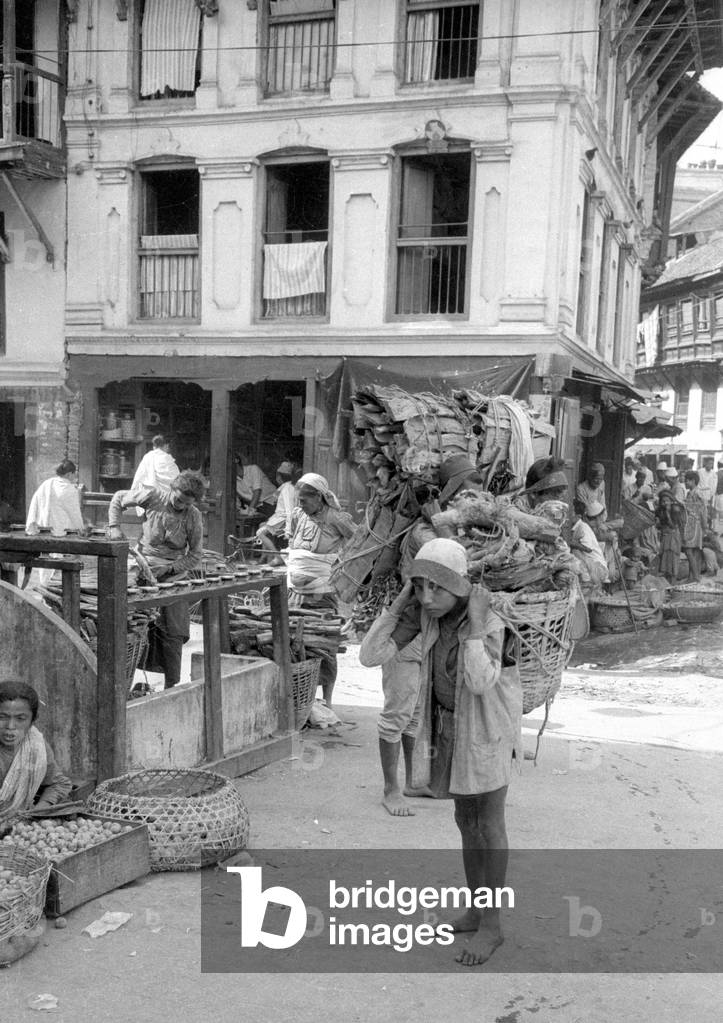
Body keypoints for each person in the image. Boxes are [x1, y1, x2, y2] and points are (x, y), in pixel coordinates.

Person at [359, 538, 521, 966]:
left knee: (489, 823)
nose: (428, 598)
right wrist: (398, 604)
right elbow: (369, 654)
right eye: (421, 586)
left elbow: (482, 681)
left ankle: (493, 926)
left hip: (488, 731)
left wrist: (474, 625)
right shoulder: (425, 616)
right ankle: (474, 910)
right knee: (465, 820)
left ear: (458, 588)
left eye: (438, 589)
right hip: (452, 727)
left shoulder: (488, 620)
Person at [107, 470, 205, 689]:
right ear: (172, 488)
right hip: (143, 568)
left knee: (174, 632)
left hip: (173, 576)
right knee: (133, 629)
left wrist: (170, 568)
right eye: (178, 500)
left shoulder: (193, 516)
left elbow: (195, 555)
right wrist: (114, 527)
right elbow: (117, 499)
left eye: (186, 504)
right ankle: (124, 685)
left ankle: (171, 687)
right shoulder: (152, 496)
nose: (181, 506)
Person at [286, 473, 356, 709]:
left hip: (322, 593)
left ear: (319, 497)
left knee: (324, 644)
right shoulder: (298, 515)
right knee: (296, 642)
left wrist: (341, 567)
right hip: (295, 593)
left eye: (305, 500)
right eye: (299, 500)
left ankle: (327, 701)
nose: (301, 505)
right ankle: (300, 699)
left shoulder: (336, 518)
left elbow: (358, 542)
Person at [400, 455, 483, 578]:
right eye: (467, 496)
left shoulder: (470, 523)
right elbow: (456, 562)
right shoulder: (423, 531)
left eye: (475, 497)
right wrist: (439, 523)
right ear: (451, 496)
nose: (474, 504)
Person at [0, 680, 72, 820]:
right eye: (2, 717)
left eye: (21, 718)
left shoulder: (36, 747)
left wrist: (38, 811)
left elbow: (58, 783)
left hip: (17, 824)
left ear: (33, 720)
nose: (10, 726)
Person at [26, 459, 89, 586]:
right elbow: (75, 513)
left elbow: (34, 503)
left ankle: (45, 588)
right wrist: (81, 529)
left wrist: (32, 524)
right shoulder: (69, 489)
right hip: (62, 532)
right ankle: (56, 590)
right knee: (62, 561)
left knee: (46, 560)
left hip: (45, 529)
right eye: (74, 473)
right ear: (69, 474)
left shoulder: (47, 483)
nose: (75, 476)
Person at [256, 461, 298, 553]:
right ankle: (266, 556)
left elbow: (289, 510)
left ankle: (276, 556)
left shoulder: (287, 489)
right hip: (280, 519)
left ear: (279, 477)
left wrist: (289, 529)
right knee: (262, 525)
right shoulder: (288, 487)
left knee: (260, 533)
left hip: (283, 520)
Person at [569, 499, 609, 594]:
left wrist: (570, 542)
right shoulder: (578, 527)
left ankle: (587, 582)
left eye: (570, 514)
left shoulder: (583, 527)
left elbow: (588, 549)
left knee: (575, 551)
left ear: (578, 516)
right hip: (594, 568)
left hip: (598, 569)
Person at [682, 471, 708, 584]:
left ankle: (696, 577)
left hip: (695, 524)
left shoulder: (698, 493)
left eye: (687, 480)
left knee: (689, 550)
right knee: (694, 551)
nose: (685, 482)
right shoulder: (689, 493)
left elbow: (703, 510)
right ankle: (691, 577)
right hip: (691, 523)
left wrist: (704, 525)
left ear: (693, 481)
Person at [656, 491, 685, 583]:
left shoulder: (675, 510)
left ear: (671, 501)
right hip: (665, 536)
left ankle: (673, 580)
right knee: (664, 557)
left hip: (673, 536)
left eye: (667, 501)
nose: (665, 503)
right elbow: (660, 526)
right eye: (663, 501)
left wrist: (668, 513)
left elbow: (673, 525)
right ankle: (665, 580)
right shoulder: (660, 511)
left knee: (673, 557)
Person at [235, 456, 277, 521]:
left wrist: (250, 511)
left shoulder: (253, 469)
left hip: (271, 503)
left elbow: (257, 492)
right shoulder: (233, 480)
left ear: (236, 460)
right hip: (257, 508)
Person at [697, 456, 716, 521]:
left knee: (708, 511)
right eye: (709, 463)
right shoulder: (700, 471)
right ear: (705, 463)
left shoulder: (713, 473)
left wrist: (712, 495)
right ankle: (702, 525)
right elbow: (697, 482)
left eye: (711, 464)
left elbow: (714, 485)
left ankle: (707, 526)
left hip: (709, 495)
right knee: (701, 511)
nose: (710, 465)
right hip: (700, 494)